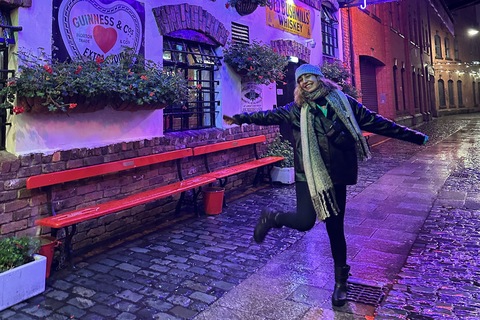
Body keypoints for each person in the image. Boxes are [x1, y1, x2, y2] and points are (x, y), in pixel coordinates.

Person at [223, 64, 429, 307]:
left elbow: (376, 122)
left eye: (309, 76)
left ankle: (341, 282)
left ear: (319, 78)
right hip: (307, 174)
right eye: (301, 80)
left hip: (336, 175)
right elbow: (269, 115)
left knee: (335, 229)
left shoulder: (344, 102)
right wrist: (239, 119)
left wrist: (414, 136)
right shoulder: (296, 109)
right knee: (304, 221)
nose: (305, 82)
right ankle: (272, 218)